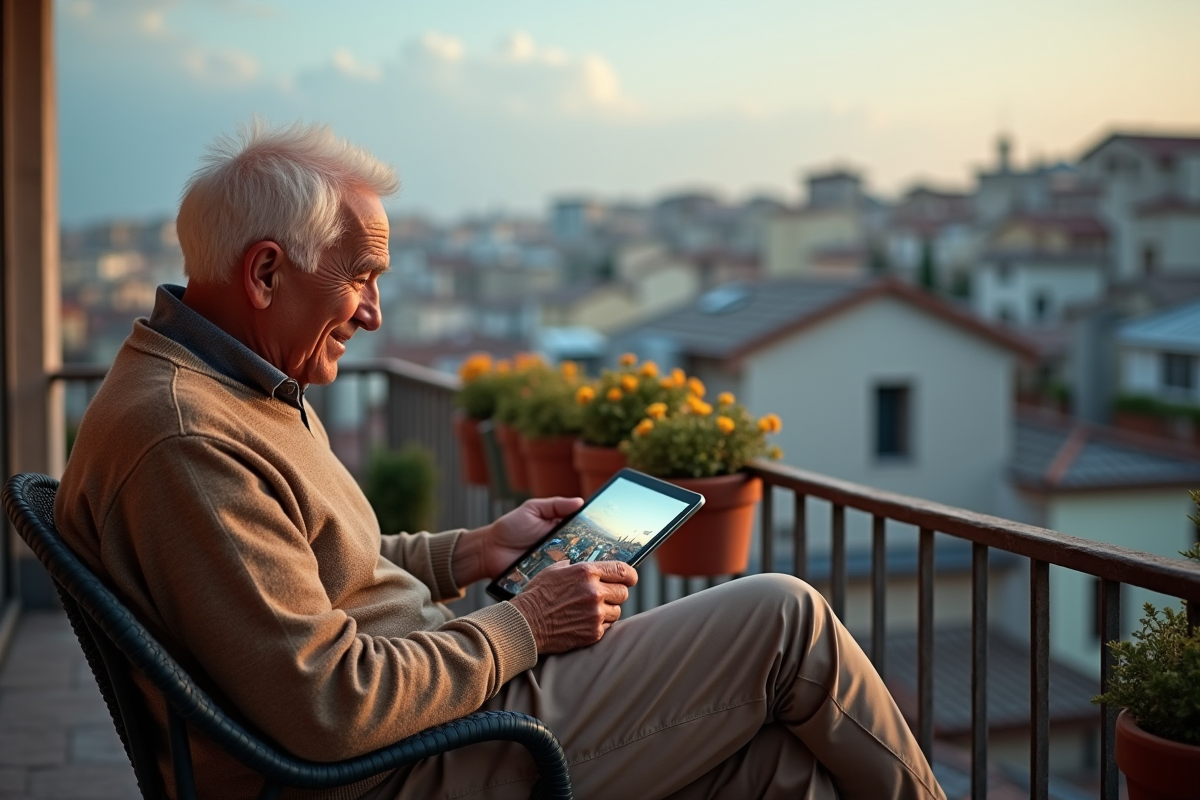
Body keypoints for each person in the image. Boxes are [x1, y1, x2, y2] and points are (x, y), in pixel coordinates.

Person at [56, 121, 946, 800]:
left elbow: (316, 575)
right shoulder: (187, 439)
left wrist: (472, 553)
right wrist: (528, 626)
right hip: (412, 762)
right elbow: (329, 703)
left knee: (773, 766)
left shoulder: (227, 388)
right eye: (362, 277)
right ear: (264, 274)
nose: (373, 314)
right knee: (784, 619)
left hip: (433, 714)